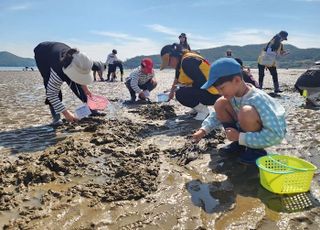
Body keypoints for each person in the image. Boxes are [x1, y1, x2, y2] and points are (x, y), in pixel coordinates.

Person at [192, 58, 286, 164]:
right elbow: (216, 114)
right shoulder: (231, 95)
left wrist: (240, 136)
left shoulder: (257, 99)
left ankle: (255, 151)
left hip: (267, 132)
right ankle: (239, 145)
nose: (219, 92)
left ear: (237, 80)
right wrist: (203, 130)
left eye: (222, 88)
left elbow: (276, 136)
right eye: (217, 89)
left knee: (246, 111)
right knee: (220, 103)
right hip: (245, 131)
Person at [34, 41, 96, 125]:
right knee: (50, 84)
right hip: (42, 54)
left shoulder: (80, 58)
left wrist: (86, 89)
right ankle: (56, 117)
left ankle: (91, 109)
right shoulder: (58, 71)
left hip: (58, 51)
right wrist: (66, 113)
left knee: (77, 84)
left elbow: (81, 75)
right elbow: (51, 94)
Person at [160, 43, 220, 120]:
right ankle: (197, 108)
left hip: (214, 94)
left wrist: (187, 86)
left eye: (169, 62)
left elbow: (202, 83)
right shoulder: (181, 61)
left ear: (174, 56)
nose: (169, 65)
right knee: (180, 90)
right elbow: (177, 79)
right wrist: (171, 92)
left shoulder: (187, 61)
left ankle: (203, 111)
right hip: (208, 91)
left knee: (180, 93)